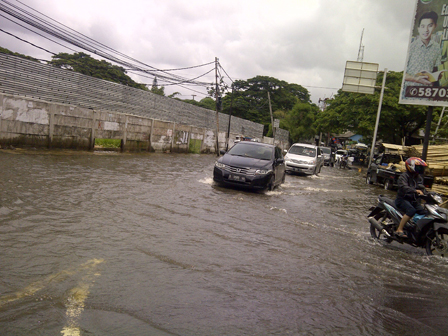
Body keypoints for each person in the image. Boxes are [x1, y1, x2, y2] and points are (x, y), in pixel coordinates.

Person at [404, 11, 442, 91]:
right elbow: (401, 73)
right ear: (418, 29)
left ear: (435, 26)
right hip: (408, 92)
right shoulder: (411, 47)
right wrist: (415, 79)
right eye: (423, 26)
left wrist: (437, 76)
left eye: (430, 26)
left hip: (427, 93)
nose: (426, 30)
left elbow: (435, 70)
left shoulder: (437, 47)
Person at [394, 157, 428, 238]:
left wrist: (429, 194)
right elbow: (403, 187)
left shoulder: (418, 177)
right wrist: (415, 191)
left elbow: (421, 187)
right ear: (410, 166)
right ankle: (399, 229)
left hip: (413, 200)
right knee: (411, 210)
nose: (420, 170)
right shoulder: (404, 176)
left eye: (421, 168)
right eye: (418, 167)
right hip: (402, 199)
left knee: (425, 212)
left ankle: (416, 230)